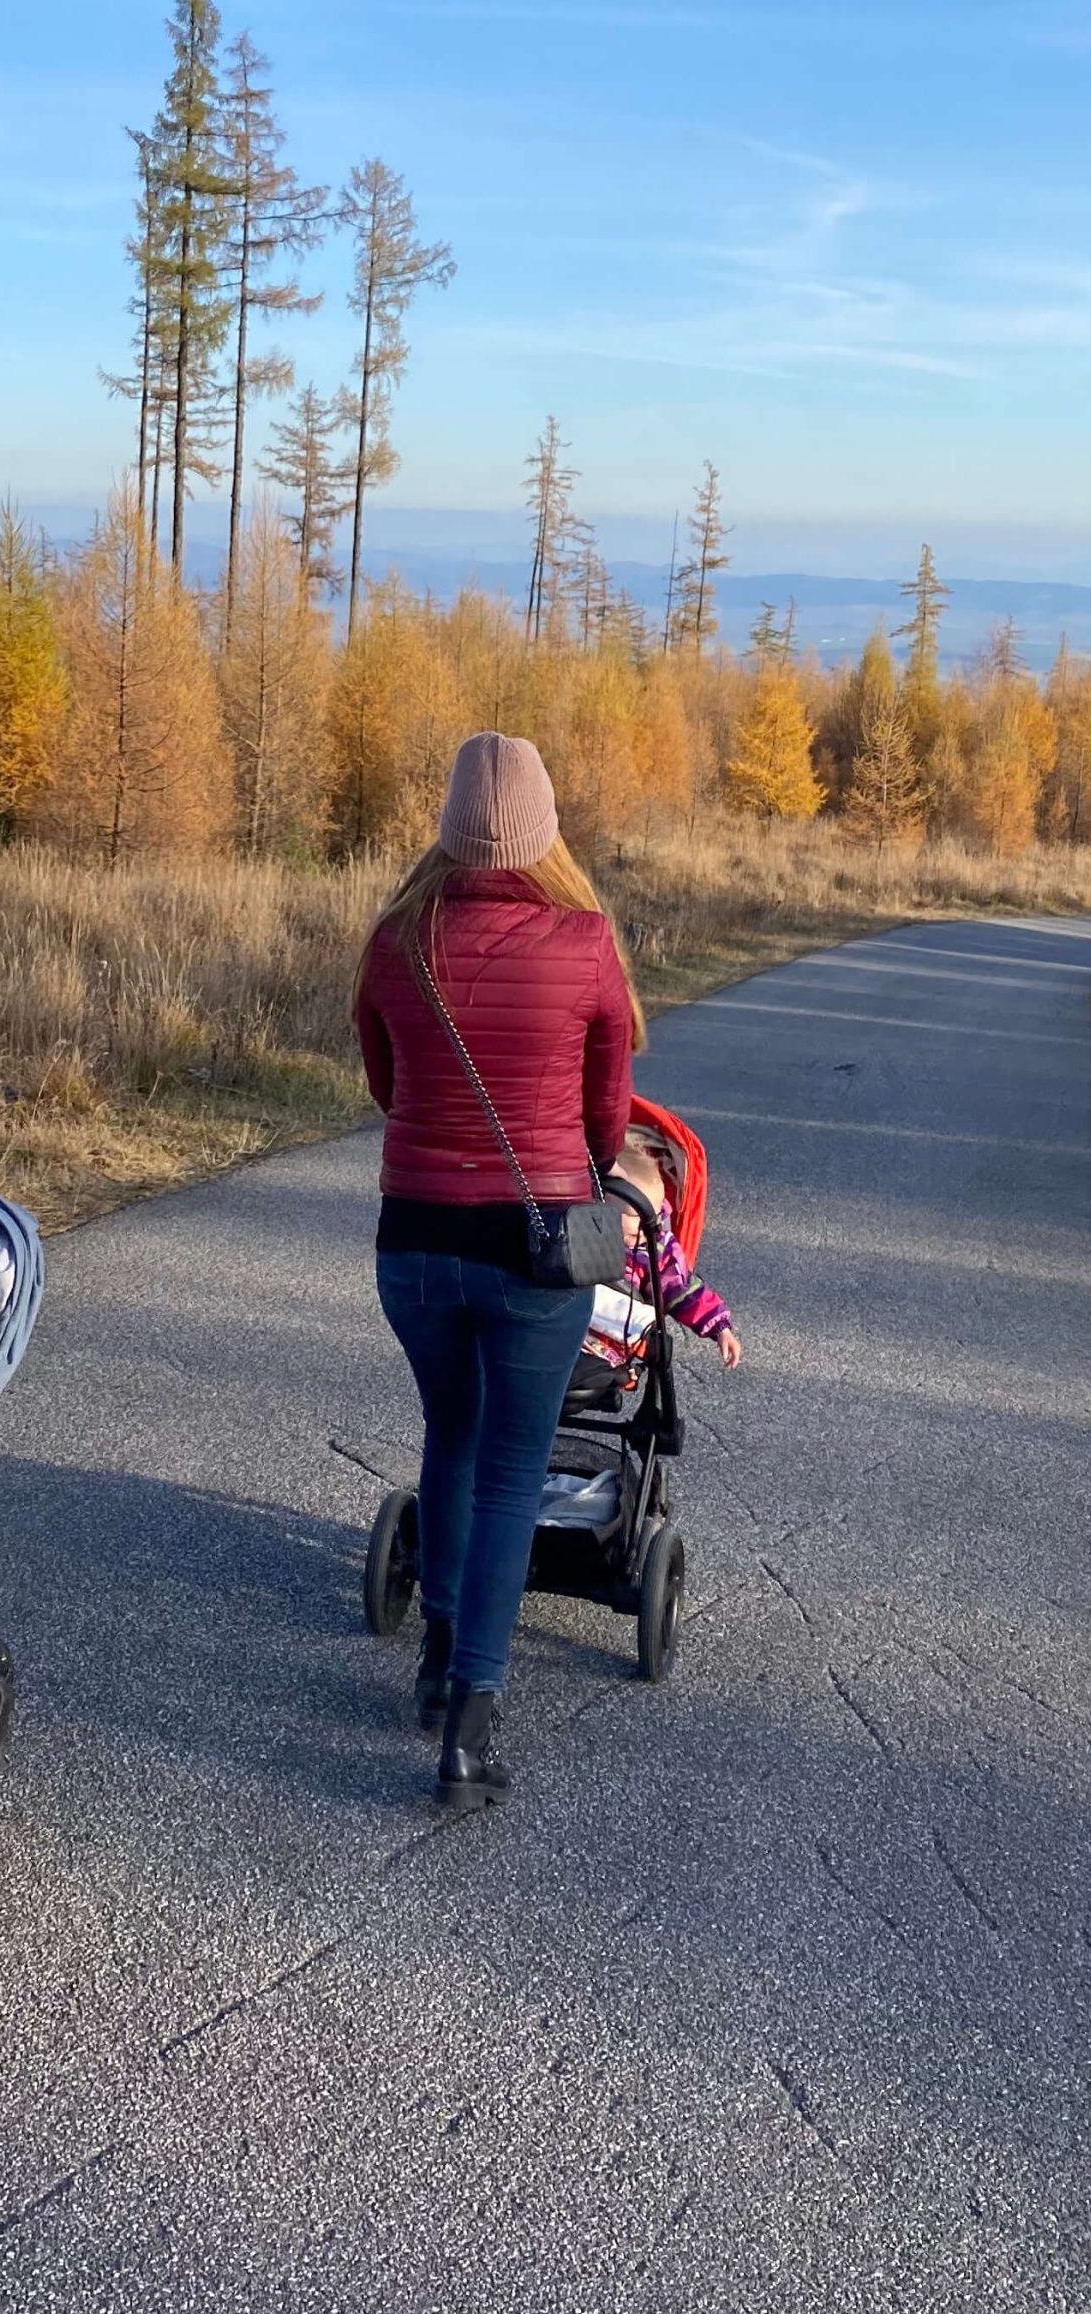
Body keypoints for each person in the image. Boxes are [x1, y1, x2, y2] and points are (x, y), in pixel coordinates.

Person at [355, 731, 644, 1810]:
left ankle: (433, 1657)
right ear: (541, 826)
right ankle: (468, 1722)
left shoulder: (397, 940)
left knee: (449, 1435)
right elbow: (605, 1113)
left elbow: (386, 1086)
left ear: (445, 824)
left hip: (415, 1243)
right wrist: (574, 1165)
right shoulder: (581, 940)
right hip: (533, 1249)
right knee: (512, 1469)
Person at [576, 1142, 742, 1385]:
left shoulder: (655, 1248)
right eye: (636, 1216)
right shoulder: (578, 1232)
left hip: (615, 1331)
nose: (648, 1224)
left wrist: (720, 1328)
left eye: (653, 1215)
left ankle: (608, 1369)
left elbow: (682, 1288)